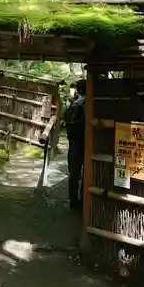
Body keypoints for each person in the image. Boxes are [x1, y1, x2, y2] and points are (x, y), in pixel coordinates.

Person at [64, 80, 86, 210]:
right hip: (83, 140)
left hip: (73, 141)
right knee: (85, 171)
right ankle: (82, 200)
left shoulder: (74, 103)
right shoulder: (86, 102)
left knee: (74, 171)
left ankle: (73, 199)